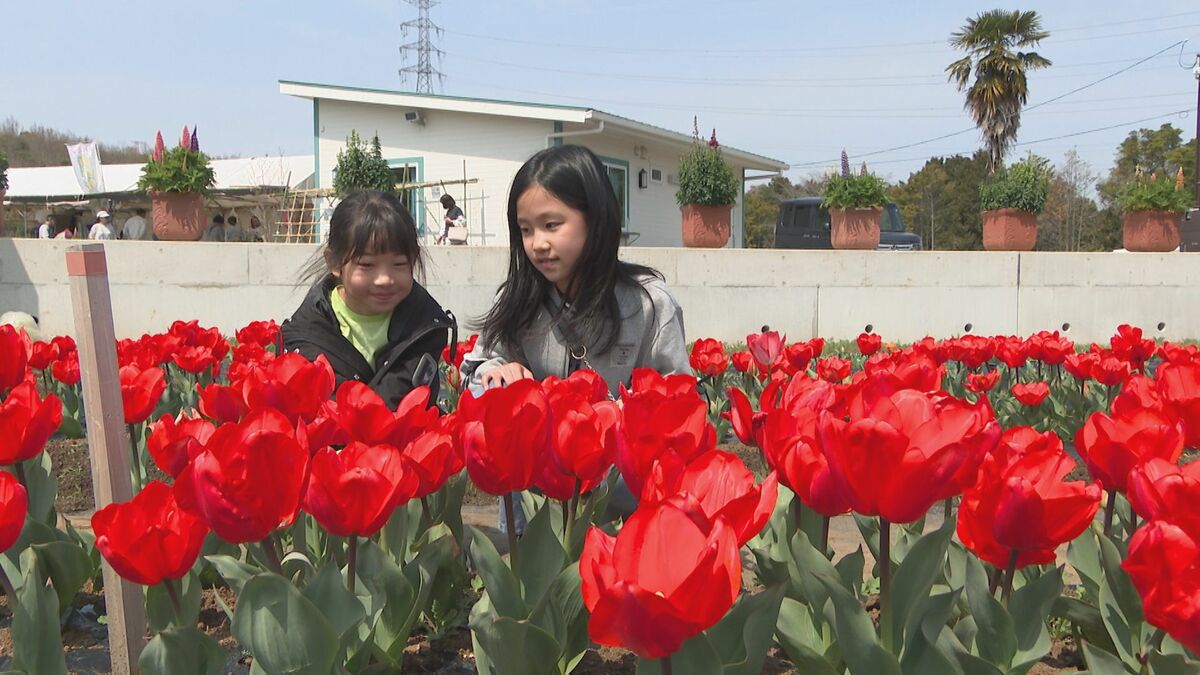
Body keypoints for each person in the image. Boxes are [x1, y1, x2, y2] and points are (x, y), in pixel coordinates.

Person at [460, 144, 689, 532]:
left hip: (621, 508)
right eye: (526, 230)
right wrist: (498, 373)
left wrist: (625, 414)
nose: (537, 244)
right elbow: (474, 379)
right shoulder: (517, 300)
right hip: (533, 506)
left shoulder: (648, 304)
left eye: (552, 225)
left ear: (595, 219)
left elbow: (681, 405)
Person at [281, 190, 456, 410]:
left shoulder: (425, 326)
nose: (384, 279)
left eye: (399, 264)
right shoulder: (307, 332)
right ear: (334, 263)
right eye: (367, 265)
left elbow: (401, 400)